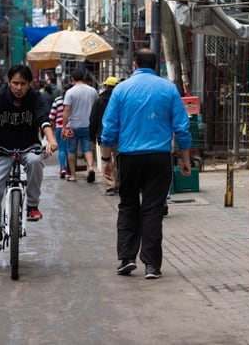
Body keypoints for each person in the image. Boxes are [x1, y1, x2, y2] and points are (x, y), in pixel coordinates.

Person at [100, 48, 191, 279]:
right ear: (155, 65)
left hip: (129, 157)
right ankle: (152, 265)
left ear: (134, 64)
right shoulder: (169, 89)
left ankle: (126, 258)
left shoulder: (121, 89)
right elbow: (182, 127)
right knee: (153, 210)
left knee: (128, 205)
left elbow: (109, 128)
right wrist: (186, 159)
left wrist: (105, 159)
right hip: (159, 158)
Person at [0, 65, 59, 252]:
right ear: (9, 82)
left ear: (30, 84)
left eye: (23, 84)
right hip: (1, 148)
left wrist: (51, 141)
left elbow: (43, 119)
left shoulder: (35, 97)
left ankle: (31, 205)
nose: (18, 88)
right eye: (15, 83)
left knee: (36, 161)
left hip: (28, 146)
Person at [62, 68, 98, 183]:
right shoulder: (93, 91)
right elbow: (96, 108)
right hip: (88, 125)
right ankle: (90, 168)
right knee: (87, 148)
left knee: (71, 150)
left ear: (72, 79)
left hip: (73, 125)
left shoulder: (70, 92)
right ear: (83, 78)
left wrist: (64, 127)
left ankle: (73, 175)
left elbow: (66, 110)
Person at [89, 76, 120, 195]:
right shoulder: (120, 99)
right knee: (119, 160)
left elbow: (93, 119)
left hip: (103, 135)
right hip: (119, 135)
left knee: (106, 160)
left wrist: (92, 135)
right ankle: (119, 183)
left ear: (106, 86)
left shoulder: (99, 100)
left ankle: (110, 185)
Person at [49, 83, 70, 180]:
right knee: (70, 149)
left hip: (59, 127)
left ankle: (62, 168)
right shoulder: (74, 100)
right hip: (71, 128)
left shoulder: (57, 100)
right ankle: (70, 170)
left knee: (62, 149)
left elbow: (51, 116)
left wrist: (51, 127)